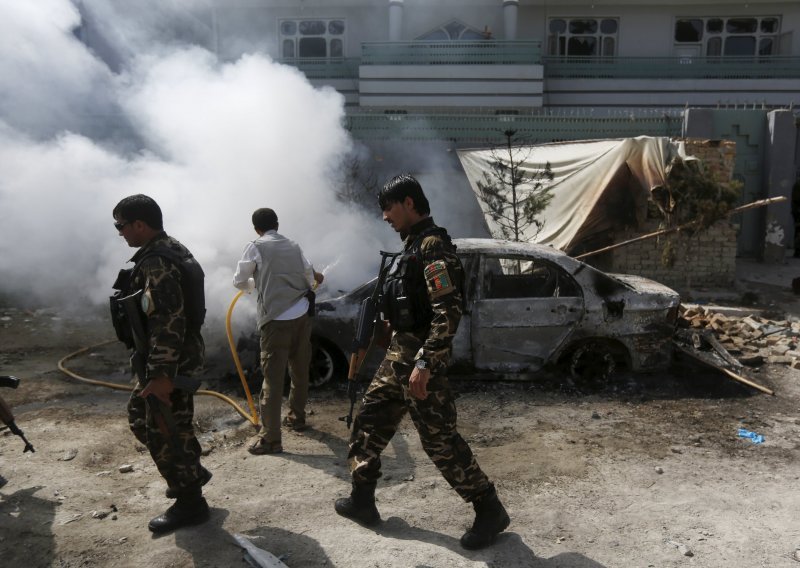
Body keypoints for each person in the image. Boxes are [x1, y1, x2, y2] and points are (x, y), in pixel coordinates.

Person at [334, 174, 510, 550]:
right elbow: (412, 306)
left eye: (389, 207)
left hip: (419, 363)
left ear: (410, 203)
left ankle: (489, 509)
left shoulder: (433, 247)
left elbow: (448, 310)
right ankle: (363, 501)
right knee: (366, 424)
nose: (384, 216)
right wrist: (389, 327)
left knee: (439, 441)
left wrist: (427, 362)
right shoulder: (412, 248)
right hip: (398, 358)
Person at [110, 194, 211, 533]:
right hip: (173, 359)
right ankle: (191, 476)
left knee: (163, 428)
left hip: (172, 364)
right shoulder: (169, 249)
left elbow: (168, 320)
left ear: (140, 224)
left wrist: (162, 376)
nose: (120, 233)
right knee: (154, 422)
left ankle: (190, 502)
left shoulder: (157, 261)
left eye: (121, 226)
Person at [233, 208, 323, 455]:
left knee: (272, 381)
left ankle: (271, 439)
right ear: (278, 224)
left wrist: (255, 283)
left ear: (256, 228)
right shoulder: (293, 245)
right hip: (302, 315)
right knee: (300, 370)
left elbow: (239, 281)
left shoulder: (255, 246)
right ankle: (297, 418)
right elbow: (308, 274)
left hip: (275, 320)